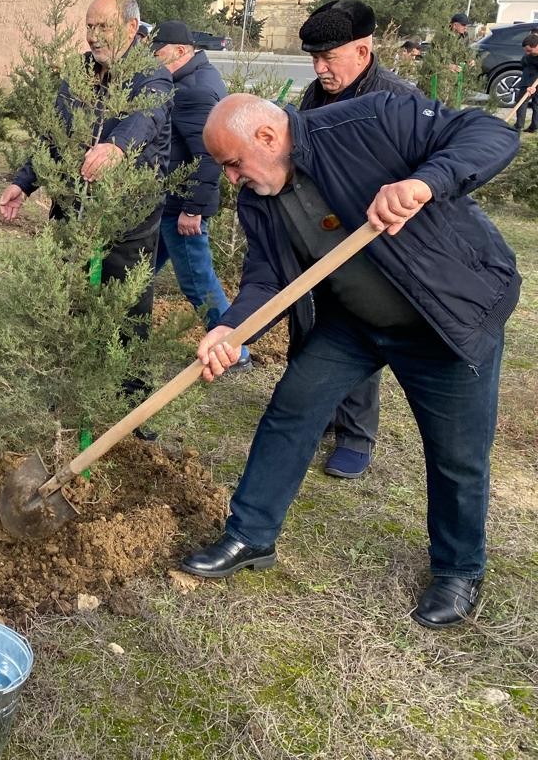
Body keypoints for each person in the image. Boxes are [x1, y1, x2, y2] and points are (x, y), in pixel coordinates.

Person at [181, 92, 518, 630]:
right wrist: (231, 327)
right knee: (292, 410)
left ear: (267, 137)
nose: (231, 178)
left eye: (234, 163)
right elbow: (268, 278)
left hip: (445, 320)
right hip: (355, 324)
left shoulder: (370, 121)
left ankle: (458, 570)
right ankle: (250, 535)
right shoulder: (259, 200)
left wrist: (423, 183)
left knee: (457, 455)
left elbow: (490, 133)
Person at [0, 0, 172, 346]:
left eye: (103, 27)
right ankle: (70, 363)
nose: (93, 36)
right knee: (68, 297)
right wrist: (24, 182)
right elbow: (55, 133)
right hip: (73, 208)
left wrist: (117, 146)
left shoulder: (152, 75)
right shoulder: (80, 71)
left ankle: (127, 376)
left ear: (131, 28)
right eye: (89, 27)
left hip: (126, 217)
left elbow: (148, 116)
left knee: (125, 309)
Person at [297, 0, 417, 478]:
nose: (319, 69)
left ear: (363, 52)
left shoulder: (398, 99)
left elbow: (423, 172)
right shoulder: (315, 95)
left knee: (358, 334)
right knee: (312, 328)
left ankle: (355, 433)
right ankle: (319, 413)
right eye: (314, 58)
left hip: (373, 241)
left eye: (329, 58)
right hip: (321, 233)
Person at [148, 19, 249, 371]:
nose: (151, 57)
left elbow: (208, 155)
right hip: (168, 203)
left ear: (180, 50)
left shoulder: (194, 90)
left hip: (181, 207)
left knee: (197, 281)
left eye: (157, 51)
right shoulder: (194, 77)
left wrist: (193, 209)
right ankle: (120, 322)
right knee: (140, 270)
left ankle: (234, 350)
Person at [515, 33, 538, 133]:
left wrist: (533, 86)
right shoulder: (528, 56)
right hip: (528, 77)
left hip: (534, 80)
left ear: (536, 46)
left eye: (529, 50)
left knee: (535, 104)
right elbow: (523, 63)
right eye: (526, 51)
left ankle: (533, 126)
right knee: (522, 101)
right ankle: (520, 126)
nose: (527, 53)